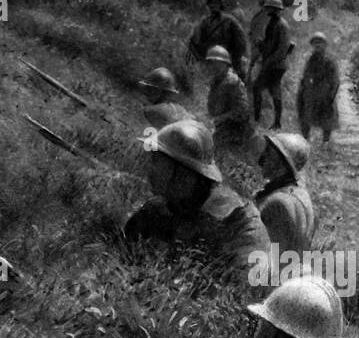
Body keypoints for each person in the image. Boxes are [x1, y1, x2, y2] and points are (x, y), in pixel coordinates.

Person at [123, 119, 269, 280]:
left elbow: (243, 290)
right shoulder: (159, 208)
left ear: (183, 175)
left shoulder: (237, 224)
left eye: (157, 162)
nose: (150, 169)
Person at [255, 132, 316, 255]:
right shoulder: (300, 193)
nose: (262, 158)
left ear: (281, 161)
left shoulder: (277, 203)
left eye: (269, 152)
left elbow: (271, 257)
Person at [250, 0, 293, 129]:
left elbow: (282, 49)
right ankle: (270, 121)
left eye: (270, 8)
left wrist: (268, 62)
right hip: (272, 64)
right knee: (270, 90)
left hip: (276, 65)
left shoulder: (282, 25)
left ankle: (266, 121)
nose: (268, 10)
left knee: (262, 88)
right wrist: (260, 44)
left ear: (275, 10)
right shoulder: (273, 23)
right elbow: (270, 44)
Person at [186, 0, 249, 79]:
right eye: (211, 3)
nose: (213, 5)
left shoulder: (229, 21)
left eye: (216, 3)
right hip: (211, 58)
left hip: (228, 58)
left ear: (220, 5)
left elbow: (241, 41)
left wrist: (234, 58)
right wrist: (200, 55)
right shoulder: (204, 22)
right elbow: (196, 40)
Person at [204, 45, 252, 149]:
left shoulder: (233, 82)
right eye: (211, 63)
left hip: (233, 133)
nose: (213, 67)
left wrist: (221, 118)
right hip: (219, 129)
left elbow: (243, 110)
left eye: (216, 63)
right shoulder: (217, 81)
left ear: (225, 64)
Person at [297, 32, 340, 144]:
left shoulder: (329, 61)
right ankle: (305, 139)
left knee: (327, 117)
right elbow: (306, 75)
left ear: (325, 45)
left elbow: (335, 80)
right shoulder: (311, 60)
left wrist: (331, 95)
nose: (317, 45)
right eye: (315, 43)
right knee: (304, 111)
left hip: (326, 94)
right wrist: (304, 87)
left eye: (320, 43)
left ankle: (326, 141)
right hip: (313, 94)